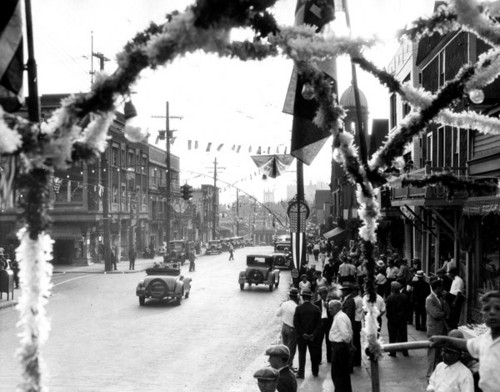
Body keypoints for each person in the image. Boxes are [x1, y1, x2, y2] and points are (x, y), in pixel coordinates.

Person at [430, 290, 500, 392]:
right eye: (487, 309)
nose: (492, 313)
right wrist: (444, 339)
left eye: (498, 308)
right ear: (483, 314)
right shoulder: (487, 337)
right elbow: (467, 344)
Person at [293, 288, 321, 379]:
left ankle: (301, 373)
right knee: (314, 354)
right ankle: (315, 371)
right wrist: (313, 334)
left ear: (303, 297)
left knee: (302, 355)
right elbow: (319, 324)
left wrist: (303, 333)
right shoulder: (316, 308)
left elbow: (296, 323)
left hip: (302, 337)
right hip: (313, 337)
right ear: (311, 298)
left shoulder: (298, 308)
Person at [426, 279, 450, 378]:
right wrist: (444, 313)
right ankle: (429, 374)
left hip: (442, 328)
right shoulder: (430, 299)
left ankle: (438, 373)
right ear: (437, 288)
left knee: (440, 353)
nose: (442, 289)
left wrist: (445, 300)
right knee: (432, 354)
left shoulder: (440, 298)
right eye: (441, 287)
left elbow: (448, 311)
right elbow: (435, 314)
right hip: (434, 329)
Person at [328, 299, 353, 392]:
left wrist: (346, 344)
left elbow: (346, 335)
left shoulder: (340, 318)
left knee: (337, 374)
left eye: (331, 308)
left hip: (339, 348)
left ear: (338, 308)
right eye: (329, 308)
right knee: (342, 374)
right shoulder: (340, 316)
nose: (329, 310)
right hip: (340, 347)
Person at [277, 288, 300, 369]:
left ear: (289, 296)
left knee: (285, 347)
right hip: (291, 328)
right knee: (291, 349)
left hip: (284, 327)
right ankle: (288, 366)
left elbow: (278, 314)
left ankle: (283, 365)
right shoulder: (296, 307)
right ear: (296, 297)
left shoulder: (284, 304)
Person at [385, 281, 409, 357]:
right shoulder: (404, 297)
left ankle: (392, 352)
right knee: (403, 336)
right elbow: (408, 309)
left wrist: (389, 317)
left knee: (392, 336)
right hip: (402, 319)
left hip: (392, 320)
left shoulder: (389, 298)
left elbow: (388, 311)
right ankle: (405, 351)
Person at [314, 286, 333, 364]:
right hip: (320, 322)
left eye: (325, 293)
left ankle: (330, 358)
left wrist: (328, 307)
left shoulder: (331, 302)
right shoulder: (317, 303)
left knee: (329, 341)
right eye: (321, 294)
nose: (323, 295)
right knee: (319, 341)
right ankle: (318, 359)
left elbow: (333, 314)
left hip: (328, 322)